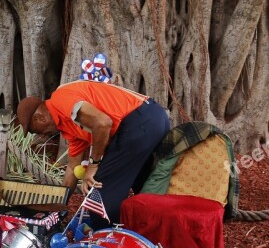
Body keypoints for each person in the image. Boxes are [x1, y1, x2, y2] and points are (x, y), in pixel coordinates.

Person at [17, 79, 171, 226]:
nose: (42, 136)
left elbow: (103, 123)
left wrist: (93, 166)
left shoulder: (60, 99)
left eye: (35, 131)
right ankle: (151, 234)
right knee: (145, 188)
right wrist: (57, 206)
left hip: (139, 123)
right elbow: (72, 168)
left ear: (40, 118)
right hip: (154, 119)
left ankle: (108, 242)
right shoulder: (69, 127)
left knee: (99, 201)